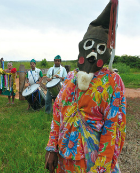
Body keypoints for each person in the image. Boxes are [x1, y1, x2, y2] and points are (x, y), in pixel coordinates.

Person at [45, 1, 126, 172]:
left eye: (100, 48)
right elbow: (58, 112)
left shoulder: (112, 82)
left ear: (107, 53)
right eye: (88, 45)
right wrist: (52, 147)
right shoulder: (71, 77)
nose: (92, 54)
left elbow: (113, 127)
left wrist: (102, 167)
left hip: (93, 163)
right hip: (64, 159)